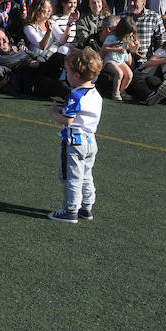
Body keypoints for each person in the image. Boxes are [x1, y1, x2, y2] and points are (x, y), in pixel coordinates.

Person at [46, 48, 104, 223]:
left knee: (71, 177)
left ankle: (70, 210)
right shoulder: (96, 93)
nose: (66, 75)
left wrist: (54, 113)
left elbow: (68, 120)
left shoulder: (75, 95)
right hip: (90, 141)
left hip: (74, 142)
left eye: (68, 72)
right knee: (86, 175)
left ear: (77, 75)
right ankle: (86, 207)